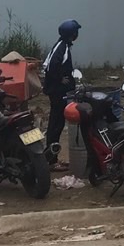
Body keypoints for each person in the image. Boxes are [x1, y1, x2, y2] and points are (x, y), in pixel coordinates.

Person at [42, 19, 80, 169]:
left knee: (56, 123)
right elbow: (51, 66)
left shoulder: (62, 45)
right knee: (56, 125)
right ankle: (51, 161)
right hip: (58, 92)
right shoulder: (62, 47)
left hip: (57, 91)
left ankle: (51, 157)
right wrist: (60, 79)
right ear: (72, 34)